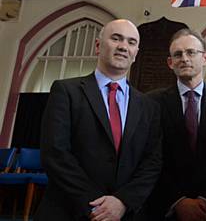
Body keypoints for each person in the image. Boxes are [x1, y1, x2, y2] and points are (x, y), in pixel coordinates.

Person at [37, 19, 162, 221]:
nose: (123, 46)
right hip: (71, 210)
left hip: (125, 213)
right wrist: (97, 204)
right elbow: (55, 153)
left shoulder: (148, 106)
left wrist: (122, 202)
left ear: (136, 54)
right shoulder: (66, 91)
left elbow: (152, 162)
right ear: (97, 46)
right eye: (116, 38)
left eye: (131, 42)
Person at [147, 29, 206, 220]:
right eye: (178, 54)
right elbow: (150, 157)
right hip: (168, 208)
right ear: (170, 63)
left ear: (205, 58)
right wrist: (178, 201)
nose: (184, 58)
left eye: (191, 52)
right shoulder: (152, 102)